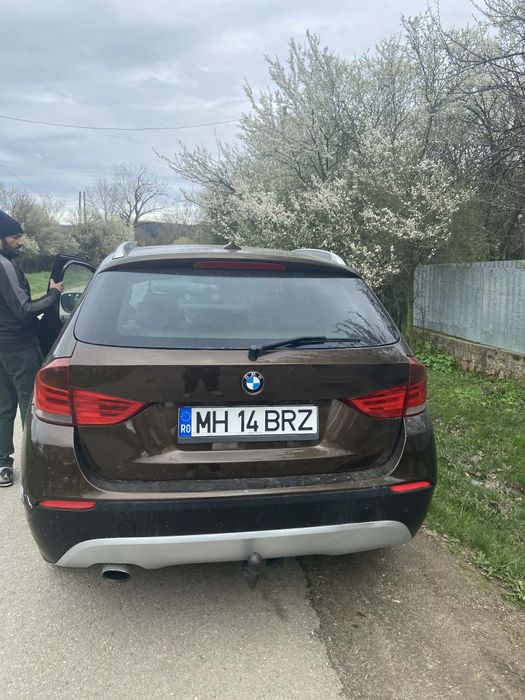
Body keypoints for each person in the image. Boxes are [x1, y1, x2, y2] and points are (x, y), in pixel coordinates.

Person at [0, 210, 63, 487]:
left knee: (3, 408)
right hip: (19, 348)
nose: (20, 242)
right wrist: (54, 294)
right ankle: (34, 467)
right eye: (15, 236)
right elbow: (24, 309)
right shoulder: (4, 266)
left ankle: (3, 465)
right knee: (31, 408)